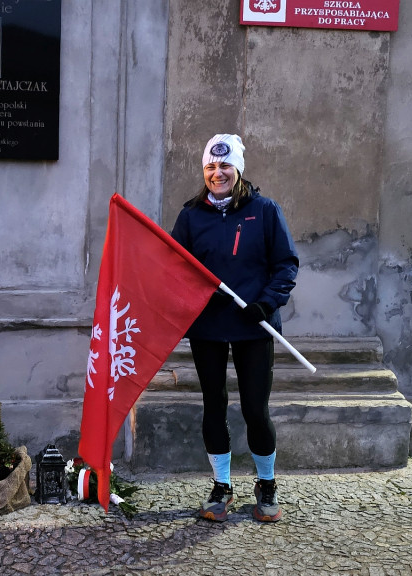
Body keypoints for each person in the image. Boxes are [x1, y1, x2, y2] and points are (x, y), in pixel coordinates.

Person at [170, 134, 298, 523]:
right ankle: (222, 485)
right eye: (210, 166)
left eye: (224, 166)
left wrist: (267, 301)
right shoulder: (191, 216)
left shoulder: (265, 211)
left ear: (238, 168)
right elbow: (175, 270)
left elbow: (286, 264)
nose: (217, 173)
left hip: (254, 325)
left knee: (255, 409)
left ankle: (266, 483)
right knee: (214, 405)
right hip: (208, 326)